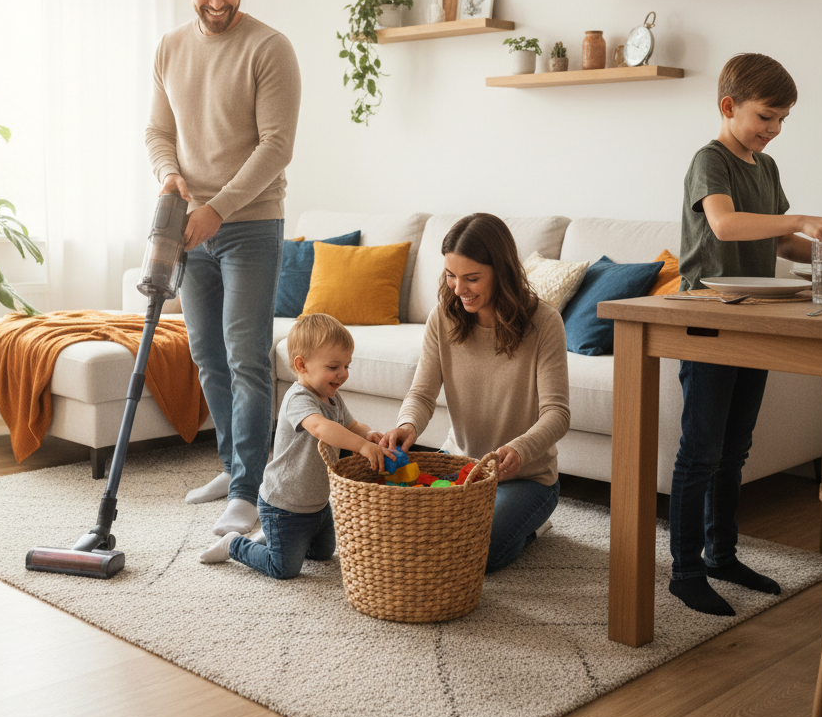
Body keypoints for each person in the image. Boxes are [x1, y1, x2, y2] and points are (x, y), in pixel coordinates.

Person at [671, 52, 822, 616]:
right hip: (707, 317)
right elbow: (725, 224)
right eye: (765, 117)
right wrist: (801, 220)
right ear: (729, 107)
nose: (773, 131)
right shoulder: (712, 161)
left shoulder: (763, 167)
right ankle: (685, 570)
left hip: (752, 314)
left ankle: (722, 556)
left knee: (734, 449)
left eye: (781, 121)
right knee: (700, 452)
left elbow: (780, 244)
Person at [146, 0, 301, 537]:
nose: (217, 2)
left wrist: (220, 208)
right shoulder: (168, 48)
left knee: (246, 354)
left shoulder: (269, 48)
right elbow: (159, 133)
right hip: (190, 226)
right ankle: (233, 465)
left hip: (252, 224)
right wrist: (170, 178)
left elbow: (276, 147)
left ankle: (249, 491)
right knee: (205, 352)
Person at [381, 213, 570, 572]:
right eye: (451, 276)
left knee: (474, 554)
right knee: (409, 530)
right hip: (461, 467)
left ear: (502, 272)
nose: (458, 289)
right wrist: (407, 426)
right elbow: (422, 393)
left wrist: (519, 448)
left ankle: (531, 525)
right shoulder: (444, 317)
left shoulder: (544, 323)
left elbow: (557, 414)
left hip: (526, 478)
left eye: (471, 279)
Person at [198, 313, 392, 575]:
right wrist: (361, 446)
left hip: (318, 504)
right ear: (302, 365)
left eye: (347, 366)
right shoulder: (298, 399)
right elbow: (322, 428)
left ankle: (271, 538)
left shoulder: (332, 398)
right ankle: (234, 544)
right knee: (283, 568)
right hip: (284, 505)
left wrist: (370, 435)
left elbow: (351, 425)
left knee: (322, 554)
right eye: (333, 367)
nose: (343, 374)